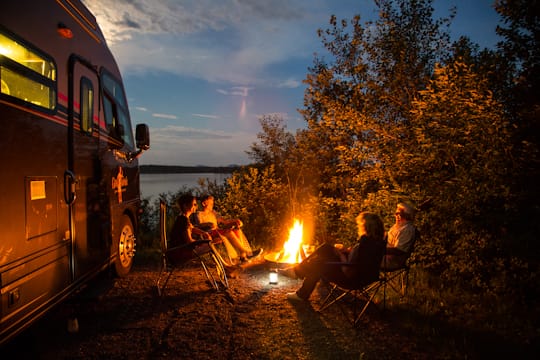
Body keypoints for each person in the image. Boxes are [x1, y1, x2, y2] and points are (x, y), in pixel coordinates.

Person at [286, 212, 386, 302]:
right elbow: (361, 260)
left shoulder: (363, 244)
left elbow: (348, 270)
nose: (359, 227)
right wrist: (348, 251)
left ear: (365, 227)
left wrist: (340, 254)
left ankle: (300, 286)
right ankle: (297, 273)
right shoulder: (377, 243)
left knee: (319, 262)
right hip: (367, 277)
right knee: (326, 250)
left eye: (360, 225)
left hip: (351, 280)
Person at [168, 194, 239, 277]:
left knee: (210, 244)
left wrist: (204, 233)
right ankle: (226, 268)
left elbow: (192, 228)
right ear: (185, 206)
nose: (196, 206)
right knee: (210, 245)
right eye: (194, 204)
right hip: (179, 254)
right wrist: (204, 242)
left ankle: (225, 267)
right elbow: (189, 241)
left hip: (178, 251)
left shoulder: (182, 218)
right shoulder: (183, 221)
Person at [192, 194, 262, 263]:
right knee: (228, 232)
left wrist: (235, 221)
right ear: (204, 204)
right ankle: (247, 253)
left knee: (237, 229)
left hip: (217, 232)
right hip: (208, 234)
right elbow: (198, 226)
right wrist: (207, 224)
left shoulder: (213, 213)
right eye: (210, 204)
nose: (212, 205)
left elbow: (225, 221)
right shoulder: (199, 214)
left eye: (212, 203)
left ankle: (243, 256)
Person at [381, 202, 417, 271]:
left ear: (407, 215)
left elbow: (399, 250)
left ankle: (362, 280)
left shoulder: (407, 230)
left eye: (399, 213)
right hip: (384, 257)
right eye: (396, 213)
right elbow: (387, 240)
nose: (396, 215)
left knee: (361, 257)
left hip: (392, 261)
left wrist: (378, 250)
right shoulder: (397, 226)